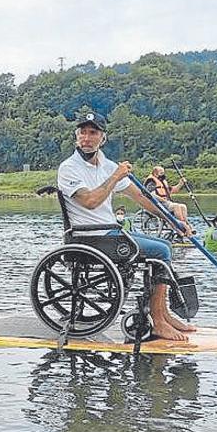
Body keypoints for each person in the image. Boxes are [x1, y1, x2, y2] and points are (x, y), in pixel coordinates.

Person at [58, 112, 195, 341]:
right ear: (76, 136)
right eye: (82, 132)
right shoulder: (68, 168)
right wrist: (115, 176)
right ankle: (159, 321)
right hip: (88, 238)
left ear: (103, 138)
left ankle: (162, 313)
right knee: (161, 251)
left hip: (110, 233)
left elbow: (141, 197)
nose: (87, 138)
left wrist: (171, 216)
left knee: (163, 245)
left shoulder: (108, 165)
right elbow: (90, 202)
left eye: (93, 133)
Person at [145, 166, 192, 233]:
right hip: (157, 204)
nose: (163, 174)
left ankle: (187, 225)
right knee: (176, 206)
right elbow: (151, 195)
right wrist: (163, 200)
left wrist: (181, 183)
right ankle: (182, 227)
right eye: (161, 173)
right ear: (155, 173)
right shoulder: (151, 181)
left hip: (166, 203)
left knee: (183, 206)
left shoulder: (163, 182)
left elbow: (172, 190)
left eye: (163, 172)